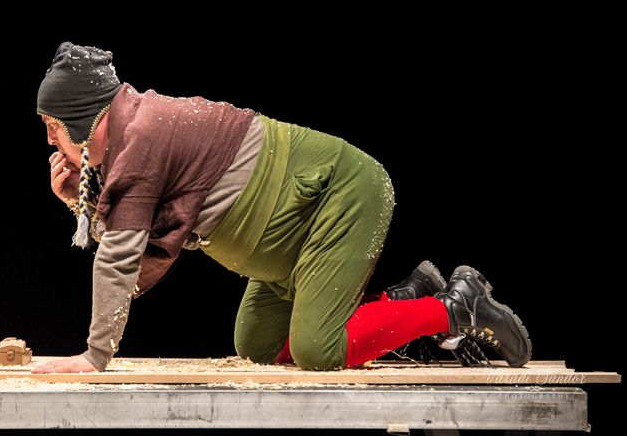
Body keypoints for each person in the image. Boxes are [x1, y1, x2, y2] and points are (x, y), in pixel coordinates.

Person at [31, 42, 531, 374]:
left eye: (54, 126)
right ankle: (405, 298)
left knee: (318, 350)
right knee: (258, 347)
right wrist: (80, 198)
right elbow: (134, 236)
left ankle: (454, 309)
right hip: (291, 243)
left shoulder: (142, 136)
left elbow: (120, 259)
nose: (51, 140)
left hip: (341, 196)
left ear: (84, 116)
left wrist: (94, 356)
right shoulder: (136, 135)